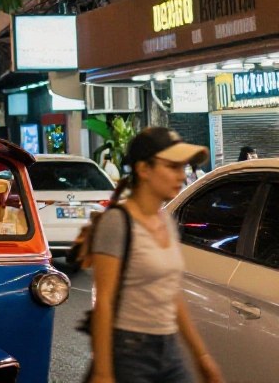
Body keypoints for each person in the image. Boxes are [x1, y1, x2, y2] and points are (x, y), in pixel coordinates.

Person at [87, 127, 224, 383]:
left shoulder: (166, 221)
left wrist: (201, 356)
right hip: (129, 352)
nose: (181, 175)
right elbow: (104, 301)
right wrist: (103, 372)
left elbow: (172, 292)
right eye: (172, 167)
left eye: (183, 168)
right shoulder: (117, 222)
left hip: (169, 349)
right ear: (144, 169)